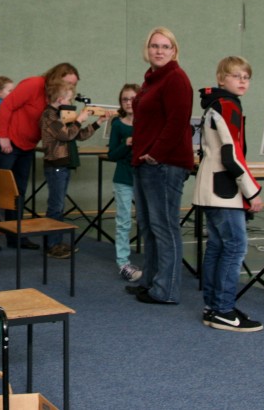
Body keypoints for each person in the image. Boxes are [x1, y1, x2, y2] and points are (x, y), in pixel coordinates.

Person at [0, 62, 80, 253]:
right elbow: (6, 106)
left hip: (26, 144)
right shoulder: (34, 84)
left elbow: (55, 127)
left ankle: (15, 236)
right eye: (68, 82)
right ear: (56, 77)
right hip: (4, 138)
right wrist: (3, 136)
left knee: (19, 190)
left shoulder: (57, 97)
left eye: (73, 85)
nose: (70, 87)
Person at [193, 56, 264, 332]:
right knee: (234, 247)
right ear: (221, 79)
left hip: (211, 187)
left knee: (217, 246)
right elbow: (231, 155)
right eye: (236, 76)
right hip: (223, 190)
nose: (242, 81)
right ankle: (223, 310)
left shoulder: (216, 104)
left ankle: (214, 306)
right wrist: (252, 191)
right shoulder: (227, 105)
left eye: (246, 77)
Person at [128, 27, 194, 305]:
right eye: (154, 45)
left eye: (165, 46)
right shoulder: (151, 80)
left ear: (174, 51)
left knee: (164, 228)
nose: (159, 50)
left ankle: (166, 290)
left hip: (164, 164)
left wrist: (156, 154)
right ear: (147, 50)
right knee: (148, 226)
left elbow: (178, 122)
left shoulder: (176, 78)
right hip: (146, 163)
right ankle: (151, 281)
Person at [39, 79, 107, 258]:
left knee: (59, 206)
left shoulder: (62, 114)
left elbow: (79, 135)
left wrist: (98, 122)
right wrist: (79, 120)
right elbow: (66, 135)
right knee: (56, 207)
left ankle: (56, 242)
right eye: (69, 99)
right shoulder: (49, 115)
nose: (70, 102)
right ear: (60, 99)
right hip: (56, 166)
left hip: (63, 165)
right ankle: (51, 245)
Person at [107, 83, 142, 281]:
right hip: (123, 179)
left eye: (132, 99)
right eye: (124, 99)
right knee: (123, 221)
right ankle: (123, 262)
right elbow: (112, 154)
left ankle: (153, 262)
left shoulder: (147, 122)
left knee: (148, 221)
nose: (128, 103)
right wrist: (126, 143)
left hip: (145, 178)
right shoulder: (118, 125)